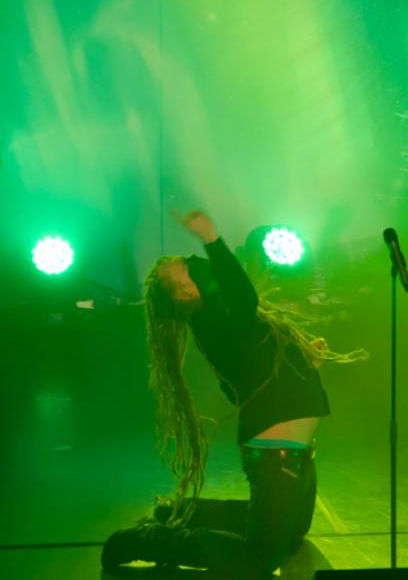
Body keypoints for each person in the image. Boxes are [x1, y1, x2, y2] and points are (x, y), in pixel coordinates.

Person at [102, 209, 364, 578]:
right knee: (257, 561)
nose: (185, 260)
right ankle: (147, 540)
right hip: (277, 454)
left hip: (296, 454)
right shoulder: (211, 320)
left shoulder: (220, 319)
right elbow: (244, 298)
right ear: (181, 293)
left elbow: (249, 371)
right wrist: (211, 239)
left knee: (290, 537)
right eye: (179, 267)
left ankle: (183, 512)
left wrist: (301, 362)